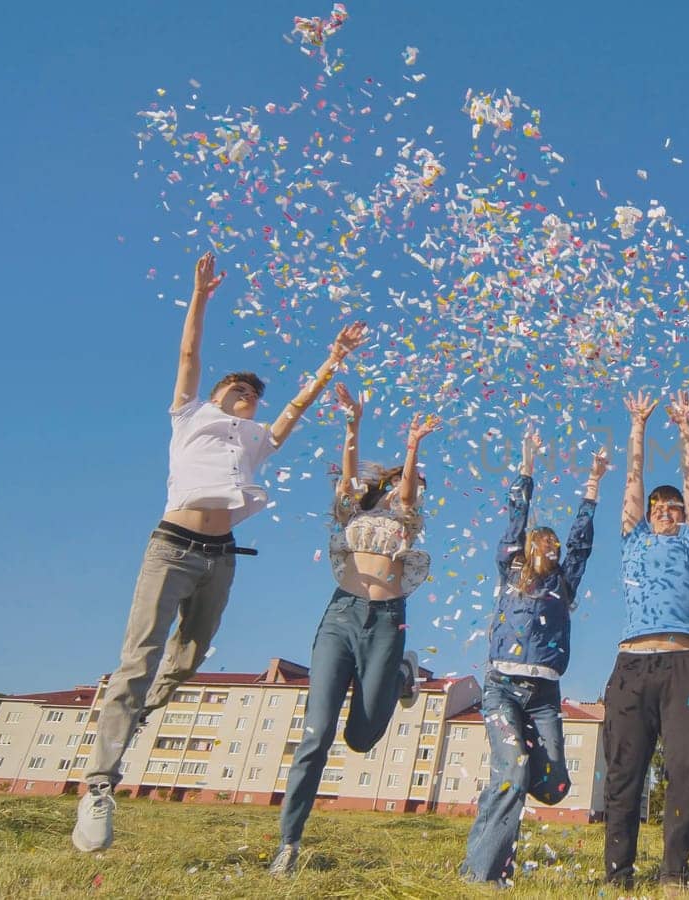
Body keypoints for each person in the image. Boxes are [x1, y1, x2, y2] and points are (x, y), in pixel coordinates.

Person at [73, 252, 368, 853]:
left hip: (222, 553)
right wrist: (200, 298)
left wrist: (331, 361)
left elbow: (296, 410)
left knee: (187, 660)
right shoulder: (190, 416)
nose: (247, 395)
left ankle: (127, 723)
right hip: (172, 549)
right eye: (236, 387)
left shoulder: (258, 440)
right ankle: (99, 784)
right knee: (139, 660)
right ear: (213, 394)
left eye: (253, 393)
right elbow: (188, 358)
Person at [269, 388, 438, 875]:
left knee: (362, 737)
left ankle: (402, 677)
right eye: (404, 483)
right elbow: (347, 476)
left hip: (386, 623)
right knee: (316, 733)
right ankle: (289, 843)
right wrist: (352, 424)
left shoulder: (407, 518)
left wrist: (412, 446)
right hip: (340, 618)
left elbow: (408, 489)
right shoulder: (354, 514)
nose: (410, 491)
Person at [463, 427, 610, 884]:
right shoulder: (510, 571)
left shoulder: (563, 585)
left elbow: (582, 540)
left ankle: (494, 817)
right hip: (502, 688)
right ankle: (482, 878)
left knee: (552, 786)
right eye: (543, 542)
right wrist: (527, 460)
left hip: (545, 693)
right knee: (513, 771)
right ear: (528, 547)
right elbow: (516, 514)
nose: (552, 547)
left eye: (555, 545)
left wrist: (593, 482)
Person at [602, 389, 689, 892]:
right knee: (624, 774)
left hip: (684, 666)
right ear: (647, 515)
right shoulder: (633, 539)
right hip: (631, 666)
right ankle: (618, 875)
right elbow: (632, 479)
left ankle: (673, 872)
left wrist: (686, 428)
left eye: (673, 508)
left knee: (686, 772)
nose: (667, 511)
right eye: (658, 508)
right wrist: (638, 427)